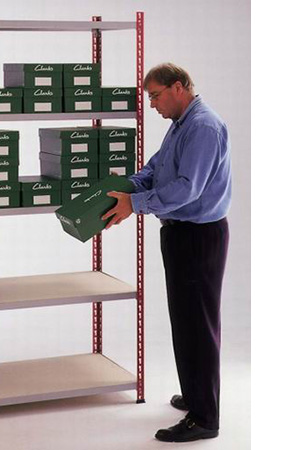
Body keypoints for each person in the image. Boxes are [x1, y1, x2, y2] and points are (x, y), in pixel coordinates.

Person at [102, 63, 231, 442]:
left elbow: (188, 188)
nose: (152, 105)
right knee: (185, 320)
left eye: (156, 96)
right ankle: (194, 395)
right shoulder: (180, 125)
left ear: (178, 87)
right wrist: (127, 188)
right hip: (179, 233)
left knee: (199, 325)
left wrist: (135, 203)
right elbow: (157, 169)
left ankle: (205, 418)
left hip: (198, 236)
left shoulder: (203, 127)